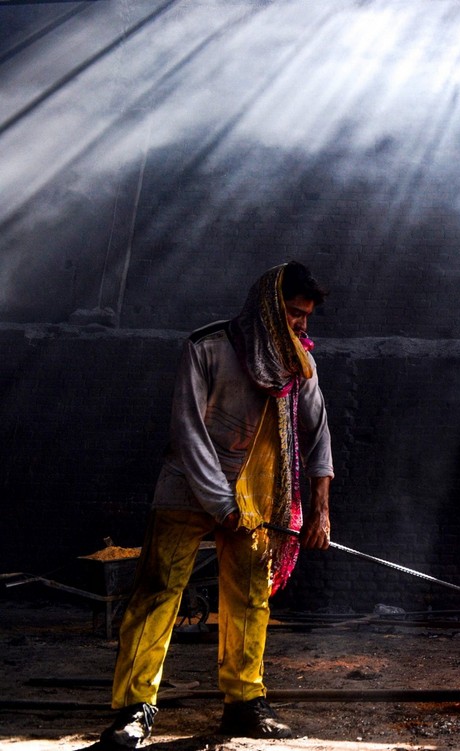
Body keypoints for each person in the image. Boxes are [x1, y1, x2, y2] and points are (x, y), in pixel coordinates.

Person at [91, 262, 335, 749]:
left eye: (306, 315)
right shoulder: (207, 348)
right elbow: (189, 434)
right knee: (159, 591)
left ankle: (244, 703)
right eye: (293, 312)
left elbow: (318, 432)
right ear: (268, 308)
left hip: (257, 501)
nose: (301, 324)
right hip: (188, 488)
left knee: (249, 596)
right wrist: (223, 503)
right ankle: (133, 710)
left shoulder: (297, 362)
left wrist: (321, 509)